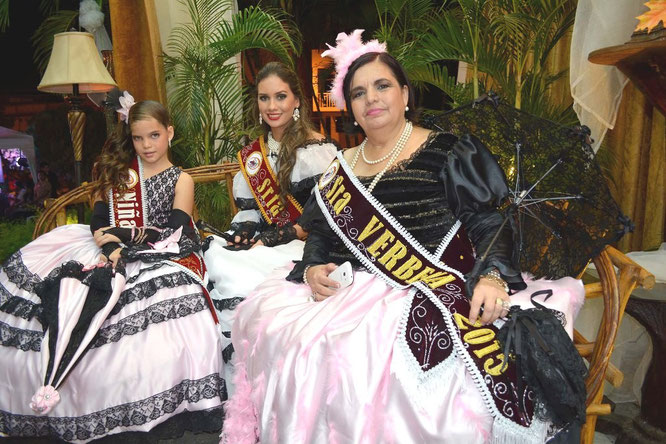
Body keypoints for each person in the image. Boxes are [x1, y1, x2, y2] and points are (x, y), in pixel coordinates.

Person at [221, 31, 585, 444]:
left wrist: (493, 276)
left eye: (382, 86)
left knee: (373, 364)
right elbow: (320, 231)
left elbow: (488, 222)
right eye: (358, 93)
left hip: (424, 284)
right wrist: (312, 267)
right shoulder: (340, 166)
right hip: (350, 286)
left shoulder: (447, 150)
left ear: (405, 94)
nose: (371, 99)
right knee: (280, 333)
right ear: (350, 107)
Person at [0, 99, 225, 442]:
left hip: (160, 251)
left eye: (154, 135)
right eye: (138, 138)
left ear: (170, 133)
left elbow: (175, 229)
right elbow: (98, 221)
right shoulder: (119, 176)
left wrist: (121, 239)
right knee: (65, 292)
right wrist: (110, 246)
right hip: (103, 248)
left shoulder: (182, 179)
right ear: (130, 139)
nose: (147, 145)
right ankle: (55, 379)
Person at [203, 61, 337, 384]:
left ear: (296, 101)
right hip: (269, 238)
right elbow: (250, 211)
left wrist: (272, 238)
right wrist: (244, 232)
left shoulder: (317, 149)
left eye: (280, 97)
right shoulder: (254, 155)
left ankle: (262, 378)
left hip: (305, 243)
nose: (272, 106)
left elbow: (318, 217)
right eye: (264, 98)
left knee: (240, 273)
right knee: (218, 255)